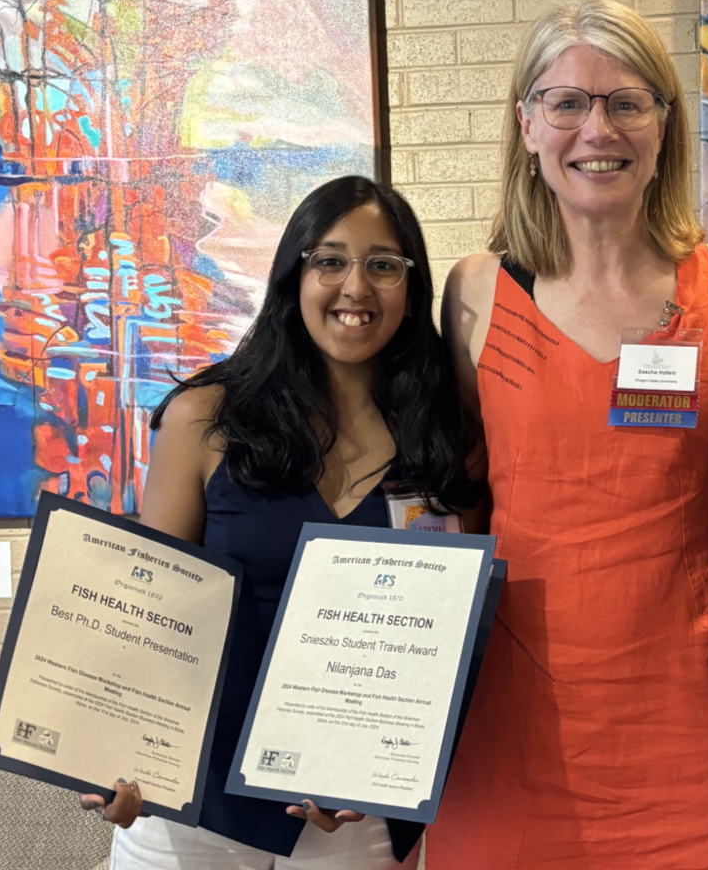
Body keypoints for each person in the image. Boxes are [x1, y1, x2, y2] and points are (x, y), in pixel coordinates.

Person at [428, 0, 708, 867]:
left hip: (692, 729)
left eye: (628, 102)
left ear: (664, 125)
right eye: (568, 103)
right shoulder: (476, 293)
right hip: (511, 728)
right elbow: (447, 504)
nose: (599, 128)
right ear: (526, 122)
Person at [82, 175, 480, 869]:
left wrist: (382, 767)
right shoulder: (206, 415)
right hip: (196, 802)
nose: (355, 286)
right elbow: (150, 613)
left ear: (412, 289)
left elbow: (446, 638)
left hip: (353, 810)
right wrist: (110, 752)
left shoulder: (445, 434)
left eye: (383, 265)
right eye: (329, 261)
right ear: (294, 276)